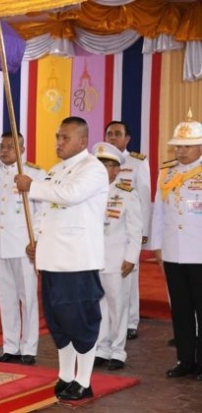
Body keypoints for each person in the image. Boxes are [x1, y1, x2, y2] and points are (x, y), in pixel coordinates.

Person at [15, 116, 108, 401]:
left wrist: (32, 186)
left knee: (80, 320)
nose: (59, 142)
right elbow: (46, 213)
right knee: (58, 322)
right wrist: (38, 242)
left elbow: (71, 194)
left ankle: (84, 379)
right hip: (52, 259)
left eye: (65, 138)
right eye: (57, 137)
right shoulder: (55, 171)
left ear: (82, 140)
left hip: (77, 260)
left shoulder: (93, 169)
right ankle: (66, 376)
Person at [0, 132, 46, 366]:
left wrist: (36, 241)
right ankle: (10, 347)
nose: (4, 150)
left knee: (27, 297)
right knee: (6, 298)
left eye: (10, 146)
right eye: (1, 146)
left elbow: (41, 213)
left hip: (23, 245)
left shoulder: (34, 174)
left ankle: (29, 348)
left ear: (22, 148)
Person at [150, 112, 202, 380]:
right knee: (180, 309)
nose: (180, 150)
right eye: (178, 146)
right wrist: (157, 247)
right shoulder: (166, 173)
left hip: (200, 254)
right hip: (173, 252)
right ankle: (185, 360)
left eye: (186, 146)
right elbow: (159, 212)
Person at [91, 142, 143, 371]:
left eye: (108, 165)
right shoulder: (89, 192)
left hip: (117, 259)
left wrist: (131, 258)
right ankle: (101, 348)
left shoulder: (127, 194)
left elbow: (135, 230)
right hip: (93, 259)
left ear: (116, 170)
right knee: (99, 305)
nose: (103, 169)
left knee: (118, 306)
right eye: (99, 164)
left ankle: (118, 351)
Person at [104, 121, 150, 341]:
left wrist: (144, 230)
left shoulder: (138, 162)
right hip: (109, 230)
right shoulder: (98, 163)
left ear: (127, 138)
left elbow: (144, 195)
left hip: (131, 227)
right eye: (109, 134)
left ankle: (131, 320)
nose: (113, 137)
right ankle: (111, 325)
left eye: (117, 134)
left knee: (130, 276)